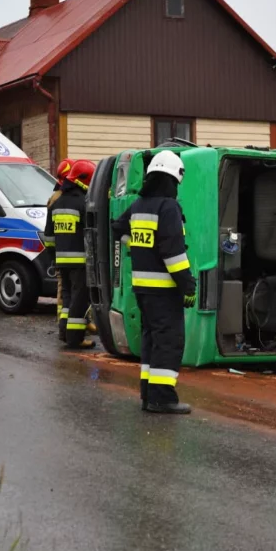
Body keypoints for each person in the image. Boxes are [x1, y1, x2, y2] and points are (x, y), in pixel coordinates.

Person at [113, 151, 195, 414]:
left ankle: (148, 395)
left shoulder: (139, 205)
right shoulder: (168, 207)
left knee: (151, 339)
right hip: (164, 291)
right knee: (168, 341)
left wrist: (138, 247)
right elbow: (173, 254)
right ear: (173, 179)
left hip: (142, 288)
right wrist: (188, 285)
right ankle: (162, 398)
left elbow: (118, 229)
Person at [44, 159, 96, 349]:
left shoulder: (57, 203)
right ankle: (75, 339)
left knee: (67, 299)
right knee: (79, 300)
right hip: (80, 261)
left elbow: (48, 236)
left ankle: (65, 332)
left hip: (61, 261)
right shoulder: (83, 203)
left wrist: (54, 258)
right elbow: (91, 233)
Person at [45, 159, 73, 329]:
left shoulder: (54, 198)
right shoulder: (63, 198)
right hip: (68, 252)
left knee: (63, 288)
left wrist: (53, 255)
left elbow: (49, 235)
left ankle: (62, 320)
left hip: (59, 253)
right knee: (67, 289)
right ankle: (65, 322)